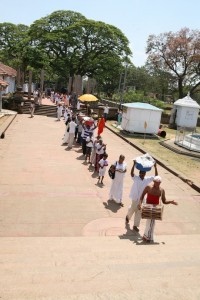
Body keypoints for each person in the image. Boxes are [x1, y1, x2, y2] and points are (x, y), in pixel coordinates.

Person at [138, 176, 178, 243]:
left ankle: (146, 236)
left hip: (155, 209)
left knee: (151, 222)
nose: (158, 184)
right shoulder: (148, 187)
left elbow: (164, 201)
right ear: (154, 181)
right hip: (148, 207)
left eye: (159, 183)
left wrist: (171, 202)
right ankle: (148, 238)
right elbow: (142, 196)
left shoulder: (161, 190)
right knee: (150, 222)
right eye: (157, 182)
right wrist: (140, 204)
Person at [125, 160, 158, 232]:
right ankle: (128, 217)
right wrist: (133, 164)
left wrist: (155, 167)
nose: (142, 174)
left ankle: (135, 225)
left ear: (145, 173)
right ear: (139, 173)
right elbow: (131, 174)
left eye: (144, 173)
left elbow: (156, 177)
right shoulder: (136, 178)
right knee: (133, 209)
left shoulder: (147, 180)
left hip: (142, 199)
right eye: (141, 173)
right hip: (135, 198)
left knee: (139, 211)